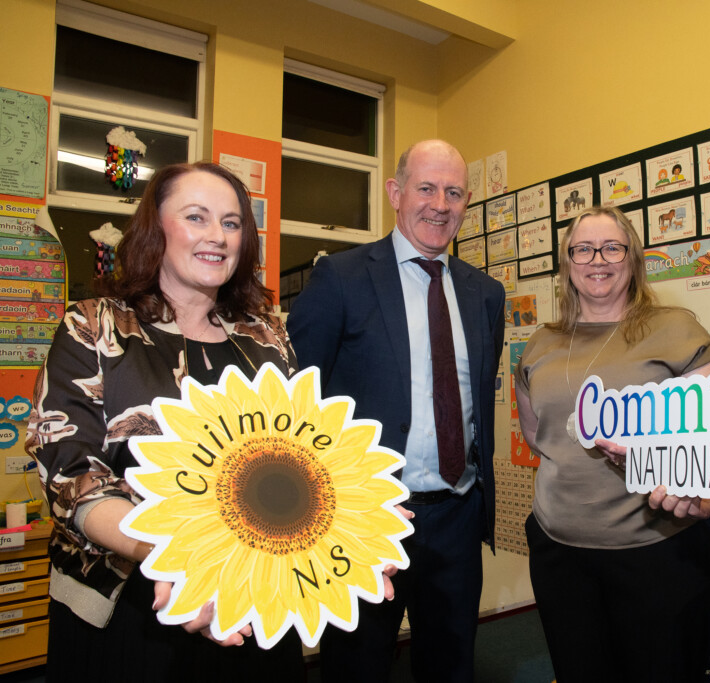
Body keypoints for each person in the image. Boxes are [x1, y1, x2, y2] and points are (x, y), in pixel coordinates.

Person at [25, 162, 305, 680]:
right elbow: (69, 476)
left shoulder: (266, 335)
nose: (217, 237)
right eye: (196, 217)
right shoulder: (94, 325)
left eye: (231, 222)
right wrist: (182, 556)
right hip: (129, 610)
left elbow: (304, 455)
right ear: (156, 227)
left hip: (256, 595)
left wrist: (352, 524)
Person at [287, 139, 505, 682]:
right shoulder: (340, 277)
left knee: (451, 664)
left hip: (455, 513)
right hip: (365, 518)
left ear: (466, 202)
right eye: (426, 188)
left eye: (454, 192)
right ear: (395, 192)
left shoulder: (486, 293)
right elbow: (296, 398)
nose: (440, 204)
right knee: (357, 664)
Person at [514, 205, 710, 682]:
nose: (598, 259)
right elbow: (537, 434)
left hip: (656, 551)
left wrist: (702, 496)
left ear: (633, 259)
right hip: (559, 554)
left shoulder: (677, 329)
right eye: (583, 249)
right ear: (567, 264)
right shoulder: (540, 344)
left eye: (612, 247)